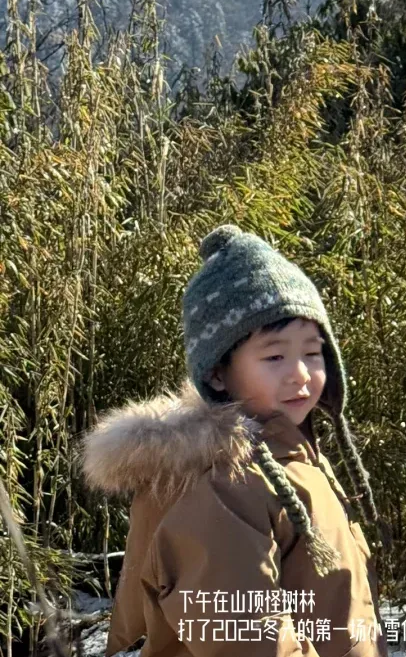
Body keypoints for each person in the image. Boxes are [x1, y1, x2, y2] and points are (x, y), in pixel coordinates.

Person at [82, 224, 387, 656]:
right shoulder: (222, 482)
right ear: (217, 373)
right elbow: (246, 636)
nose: (300, 373)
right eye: (275, 355)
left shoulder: (295, 458)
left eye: (312, 352)